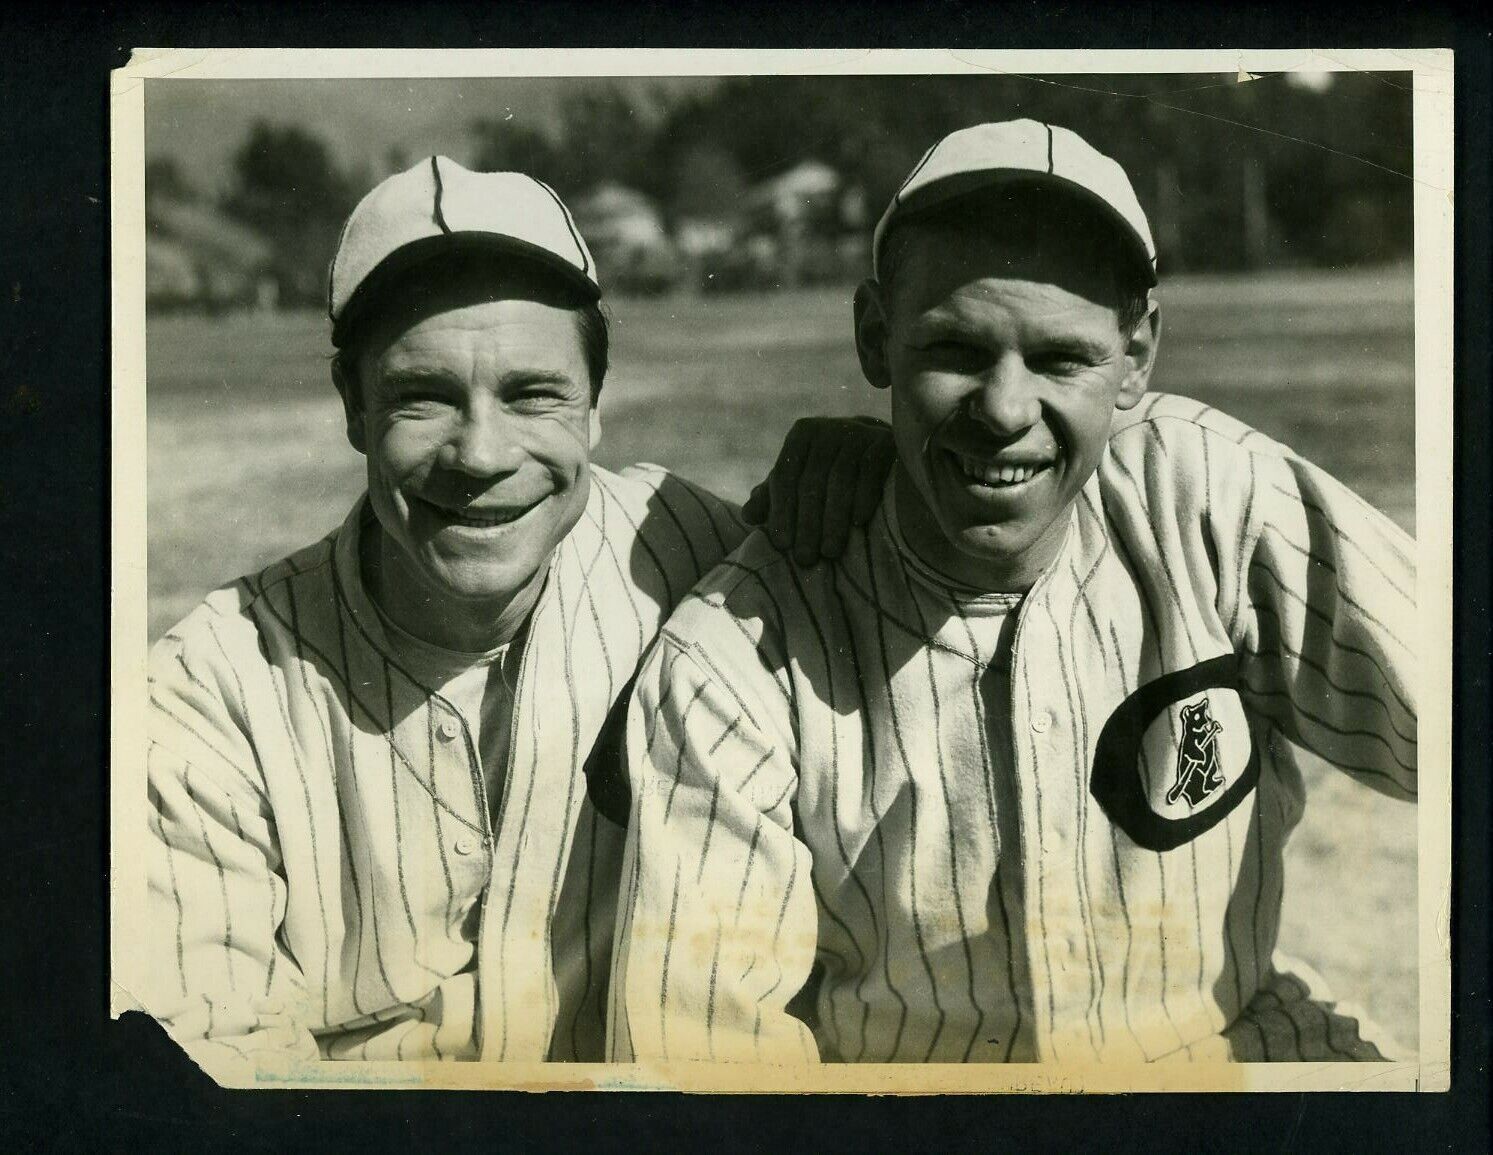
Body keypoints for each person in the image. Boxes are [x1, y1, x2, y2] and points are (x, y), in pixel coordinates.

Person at [610, 121, 1416, 1064]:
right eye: (954, 348)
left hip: (1235, 1057)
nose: (1002, 409)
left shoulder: (1209, 495)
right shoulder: (740, 640)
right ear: (875, 337)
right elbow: (708, 1047)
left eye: (1061, 359)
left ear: (1137, 355)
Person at [135, 157, 893, 1068]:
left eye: (534, 393)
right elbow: (212, 1072)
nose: (482, 453)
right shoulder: (206, 695)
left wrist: (874, 467)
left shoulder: (697, 555)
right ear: (352, 406)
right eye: (423, 396)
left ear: (596, 406)